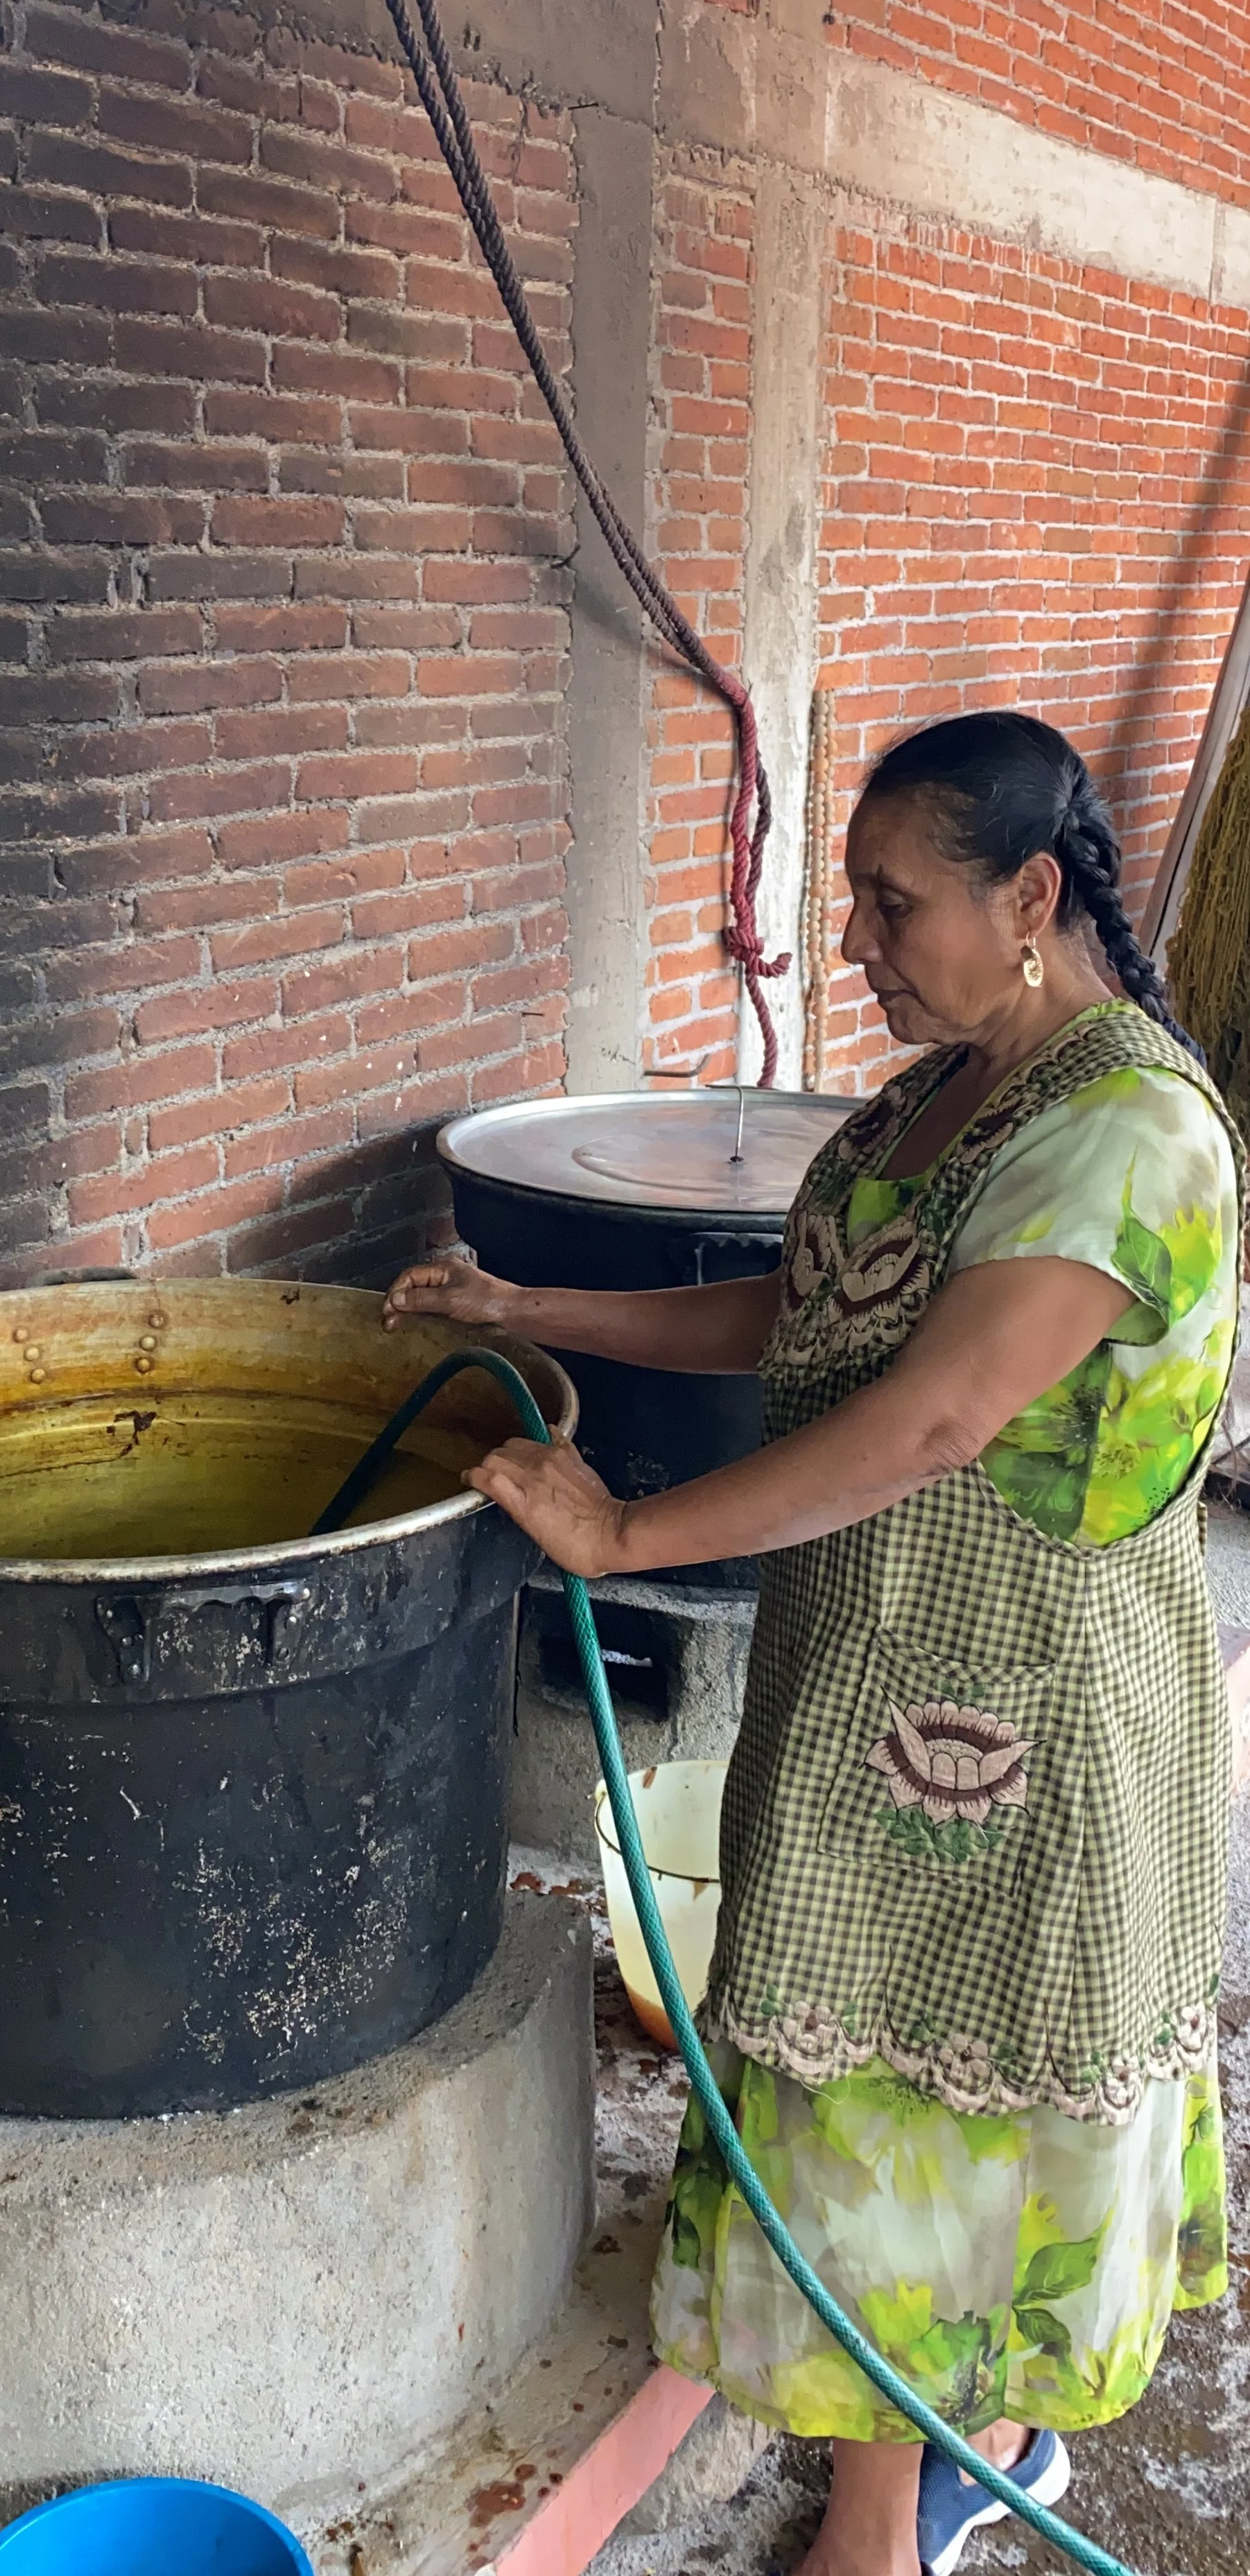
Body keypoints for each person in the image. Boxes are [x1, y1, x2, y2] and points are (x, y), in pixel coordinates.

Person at [385, 711, 1241, 2576]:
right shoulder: (941, 1092)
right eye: (849, 900)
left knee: (940, 2112)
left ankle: (893, 2512)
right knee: (887, 2093)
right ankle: (953, 2454)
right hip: (867, 1673)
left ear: (1029, 897)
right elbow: (803, 1313)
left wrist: (618, 1532)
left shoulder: (1124, 1130)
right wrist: (527, 1295)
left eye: (886, 901)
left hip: (1027, 1722)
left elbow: (933, 1414)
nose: (851, 942)